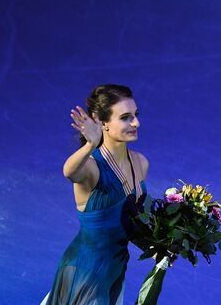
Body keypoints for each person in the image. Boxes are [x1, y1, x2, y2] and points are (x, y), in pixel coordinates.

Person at [41, 84, 148, 305]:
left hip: (114, 271)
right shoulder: (91, 168)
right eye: (126, 117)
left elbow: (132, 221)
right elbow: (69, 172)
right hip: (85, 272)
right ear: (101, 122)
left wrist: (161, 246)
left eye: (135, 115)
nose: (136, 123)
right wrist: (91, 144)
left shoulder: (140, 163)